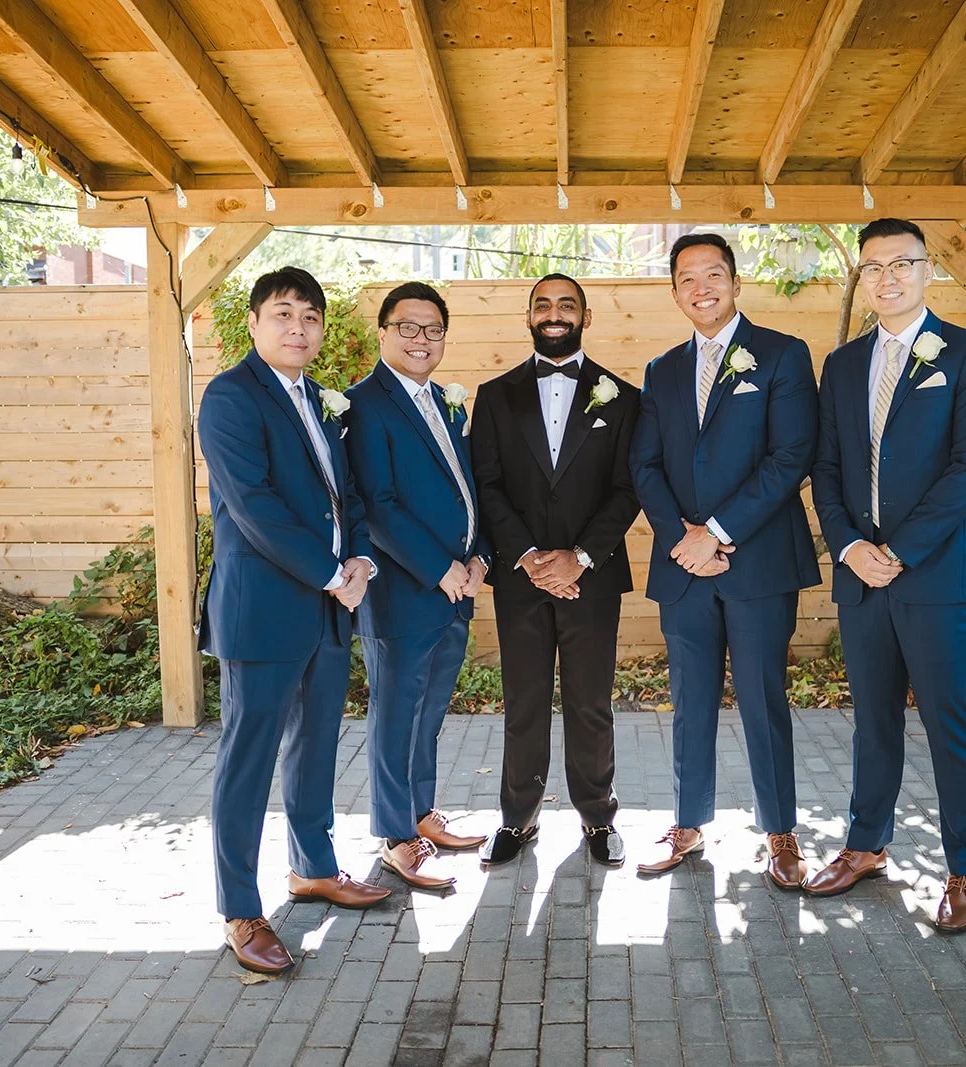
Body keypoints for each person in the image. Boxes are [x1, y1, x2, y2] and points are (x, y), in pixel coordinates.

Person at [806, 218, 966, 933]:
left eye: (901, 263)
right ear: (861, 278)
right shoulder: (842, 365)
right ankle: (866, 844)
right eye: (874, 266)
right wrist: (850, 546)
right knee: (872, 722)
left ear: (927, 272)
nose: (887, 277)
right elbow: (825, 468)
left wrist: (903, 549)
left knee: (949, 722)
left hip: (937, 579)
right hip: (861, 577)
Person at [197, 267, 390, 975]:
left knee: (315, 745)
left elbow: (349, 498)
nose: (297, 328)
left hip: (331, 608)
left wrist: (362, 557)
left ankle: (313, 867)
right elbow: (255, 506)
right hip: (265, 610)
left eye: (310, 317)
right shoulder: (229, 398)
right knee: (247, 761)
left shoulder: (319, 399)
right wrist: (334, 572)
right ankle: (241, 908)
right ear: (253, 322)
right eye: (283, 314)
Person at [629, 233, 821, 888]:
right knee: (688, 699)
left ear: (736, 283)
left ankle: (781, 832)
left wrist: (715, 530)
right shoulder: (661, 370)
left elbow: (790, 456)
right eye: (687, 277)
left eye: (714, 274)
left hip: (759, 561)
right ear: (675, 290)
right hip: (684, 565)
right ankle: (687, 823)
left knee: (764, 697)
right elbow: (644, 464)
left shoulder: (782, 356)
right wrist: (682, 537)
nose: (701, 287)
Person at [470, 273, 641, 867]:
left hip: (593, 577)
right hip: (521, 578)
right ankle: (518, 819)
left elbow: (626, 490)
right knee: (524, 700)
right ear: (528, 315)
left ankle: (598, 818)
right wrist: (529, 557)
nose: (555, 313)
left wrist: (580, 556)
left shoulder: (621, 396)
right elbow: (486, 485)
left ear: (586, 317)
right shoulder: (494, 396)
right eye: (543, 304)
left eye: (567, 304)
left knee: (591, 702)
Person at [345, 281, 491, 890]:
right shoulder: (362, 405)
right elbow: (376, 506)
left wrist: (480, 555)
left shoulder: (449, 403)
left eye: (433, 329)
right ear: (383, 332)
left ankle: (422, 813)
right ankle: (394, 836)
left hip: (457, 588)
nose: (421, 339)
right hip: (406, 593)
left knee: (429, 713)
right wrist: (440, 568)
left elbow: (467, 487)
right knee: (395, 715)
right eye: (408, 327)